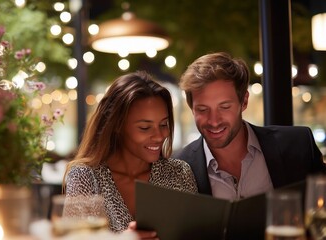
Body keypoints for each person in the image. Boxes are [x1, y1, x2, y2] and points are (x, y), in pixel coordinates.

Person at [173, 52, 326, 200]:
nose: (214, 121)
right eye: (202, 109)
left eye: (224, 107)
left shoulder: (298, 144)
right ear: (191, 107)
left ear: (244, 101)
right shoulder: (176, 169)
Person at [63, 71, 198, 239]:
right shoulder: (86, 177)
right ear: (117, 126)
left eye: (163, 124)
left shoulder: (179, 173)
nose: (159, 136)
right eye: (144, 128)